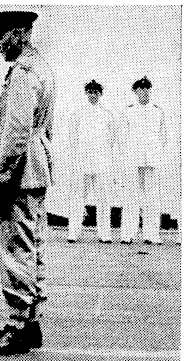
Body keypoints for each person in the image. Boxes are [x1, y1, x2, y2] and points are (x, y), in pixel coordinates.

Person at [0, 10, 56, 357]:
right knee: (31, 245)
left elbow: (16, 132)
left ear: (21, 32)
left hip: (18, 173)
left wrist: (1, 175)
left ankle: (19, 325)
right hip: (35, 169)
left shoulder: (24, 72)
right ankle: (30, 321)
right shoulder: (41, 65)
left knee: (15, 249)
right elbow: (40, 128)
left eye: (2, 36)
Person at [66, 80, 117, 243]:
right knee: (78, 197)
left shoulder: (108, 114)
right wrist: (76, 159)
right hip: (82, 161)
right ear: (86, 93)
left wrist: (106, 158)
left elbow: (112, 140)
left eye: (96, 92)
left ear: (100, 94)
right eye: (90, 92)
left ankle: (105, 234)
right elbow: (73, 139)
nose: (93, 95)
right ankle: (73, 232)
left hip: (101, 162)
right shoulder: (77, 114)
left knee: (103, 198)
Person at [120, 76, 168, 245]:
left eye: (146, 89)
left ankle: (152, 234)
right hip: (133, 158)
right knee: (131, 196)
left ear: (150, 90)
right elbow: (122, 137)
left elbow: (163, 136)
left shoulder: (158, 110)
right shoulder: (128, 110)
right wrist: (126, 157)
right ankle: (127, 234)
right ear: (135, 92)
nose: (143, 92)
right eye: (140, 89)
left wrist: (157, 154)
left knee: (153, 197)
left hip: (152, 159)